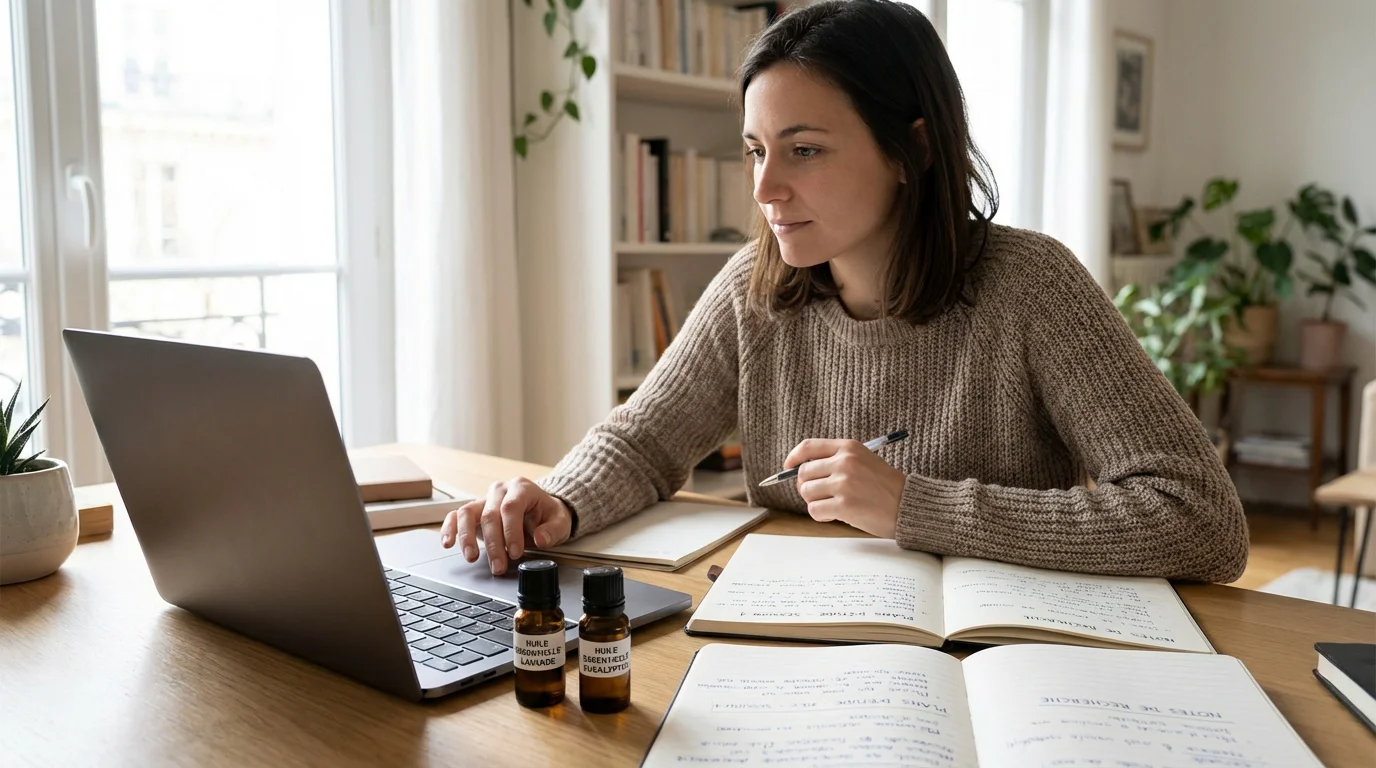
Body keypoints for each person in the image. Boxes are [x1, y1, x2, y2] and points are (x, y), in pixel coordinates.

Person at [440, 0, 1249, 583]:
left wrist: (917, 507)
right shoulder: (754, 289)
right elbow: (646, 442)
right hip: (796, 648)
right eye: (756, 151)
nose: (765, 189)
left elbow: (1201, 521)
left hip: (994, 662)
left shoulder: (1032, 286)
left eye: (805, 150)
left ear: (912, 150)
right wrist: (560, 501)